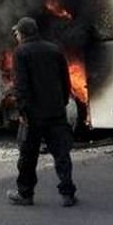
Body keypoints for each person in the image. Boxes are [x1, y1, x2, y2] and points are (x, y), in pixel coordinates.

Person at [8, 17, 78, 207]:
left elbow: (21, 85)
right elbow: (65, 81)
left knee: (28, 157)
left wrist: (22, 111)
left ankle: (25, 194)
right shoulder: (54, 49)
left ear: (22, 33)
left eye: (17, 33)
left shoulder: (20, 52)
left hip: (33, 115)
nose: (16, 36)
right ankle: (68, 194)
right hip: (55, 112)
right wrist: (62, 103)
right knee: (62, 155)